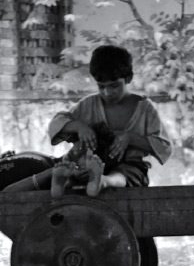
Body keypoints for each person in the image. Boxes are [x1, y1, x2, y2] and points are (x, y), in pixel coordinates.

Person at [46, 45, 172, 197]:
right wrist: (79, 127)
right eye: (101, 87)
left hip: (129, 170)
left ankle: (103, 181)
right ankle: (63, 183)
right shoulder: (87, 105)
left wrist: (130, 138)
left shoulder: (145, 109)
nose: (108, 92)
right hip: (88, 165)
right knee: (74, 167)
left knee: (126, 174)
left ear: (128, 78)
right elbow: (56, 123)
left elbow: (164, 147)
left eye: (114, 86)